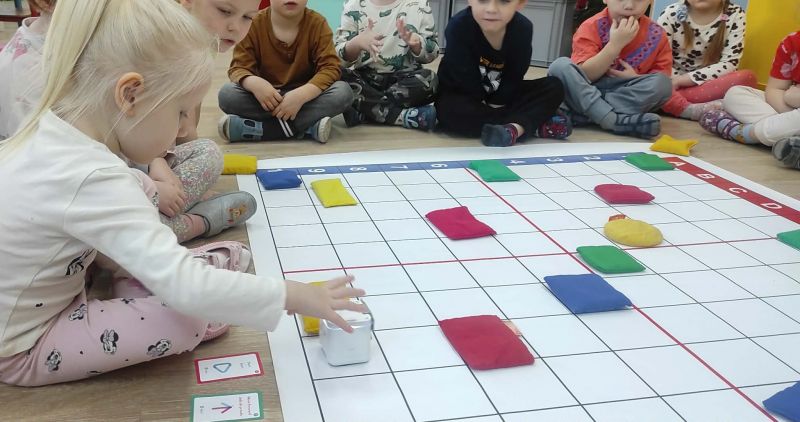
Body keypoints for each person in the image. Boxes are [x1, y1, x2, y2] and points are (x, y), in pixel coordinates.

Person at [0, 0, 365, 387]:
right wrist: (297, 296)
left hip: (44, 286)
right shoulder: (94, 178)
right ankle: (159, 277)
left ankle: (157, 271)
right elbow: (187, 289)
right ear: (130, 95)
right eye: (179, 112)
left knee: (140, 185)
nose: (180, 131)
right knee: (186, 320)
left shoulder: (53, 127)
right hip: (21, 345)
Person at [0, 0, 257, 243]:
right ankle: (189, 223)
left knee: (208, 152)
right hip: (77, 197)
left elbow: (129, 124)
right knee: (102, 229)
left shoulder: (91, 44)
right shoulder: (30, 70)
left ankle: (162, 215)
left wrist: (155, 162)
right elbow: (62, 178)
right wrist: (150, 188)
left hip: (123, 166)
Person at [217, 0, 354, 143]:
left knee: (343, 92)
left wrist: (302, 95)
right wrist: (255, 84)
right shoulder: (253, 23)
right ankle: (306, 126)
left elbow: (330, 68)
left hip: (306, 98)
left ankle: (264, 130)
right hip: (267, 98)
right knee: (227, 94)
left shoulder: (318, 23)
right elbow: (238, 68)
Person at [436, 0, 568, 147]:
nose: (492, 9)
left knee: (554, 87)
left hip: (502, 97)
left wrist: (497, 103)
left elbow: (515, 75)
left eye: (504, 1)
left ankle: (513, 127)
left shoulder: (523, 28)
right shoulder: (458, 26)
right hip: (464, 95)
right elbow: (463, 79)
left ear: (520, 3)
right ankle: (527, 125)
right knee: (449, 111)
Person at [547, 0, 673, 139]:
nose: (629, 6)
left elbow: (660, 77)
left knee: (664, 84)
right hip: (586, 89)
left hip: (620, 93)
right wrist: (615, 45)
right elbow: (586, 74)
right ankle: (612, 120)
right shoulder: (591, 26)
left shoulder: (657, 34)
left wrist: (635, 77)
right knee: (559, 66)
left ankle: (584, 115)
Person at [701, 30, 800, 168]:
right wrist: (787, 116)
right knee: (736, 93)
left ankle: (743, 133)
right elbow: (775, 89)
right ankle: (786, 136)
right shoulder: (792, 42)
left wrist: (793, 97)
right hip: (788, 109)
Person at [335, 0, 439, 131]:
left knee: (431, 79)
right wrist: (356, 43)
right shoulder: (353, 5)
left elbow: (433, 52)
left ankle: (366, 112)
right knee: (336, 74)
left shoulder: (419, 4)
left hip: (405, 80)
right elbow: (339, 58)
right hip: (366, 80)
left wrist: (417, 45)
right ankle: (401, 116)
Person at [658, 0, 757, 120]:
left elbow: (730, 63)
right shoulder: (670, 13)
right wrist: (674, 80)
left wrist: (682, 80)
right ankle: (680, 104)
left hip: (706, 83)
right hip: (670, 80)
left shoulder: (735, 14)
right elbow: (659, 60)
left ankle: (668, 102)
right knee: (650, 77)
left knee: (747, 77)